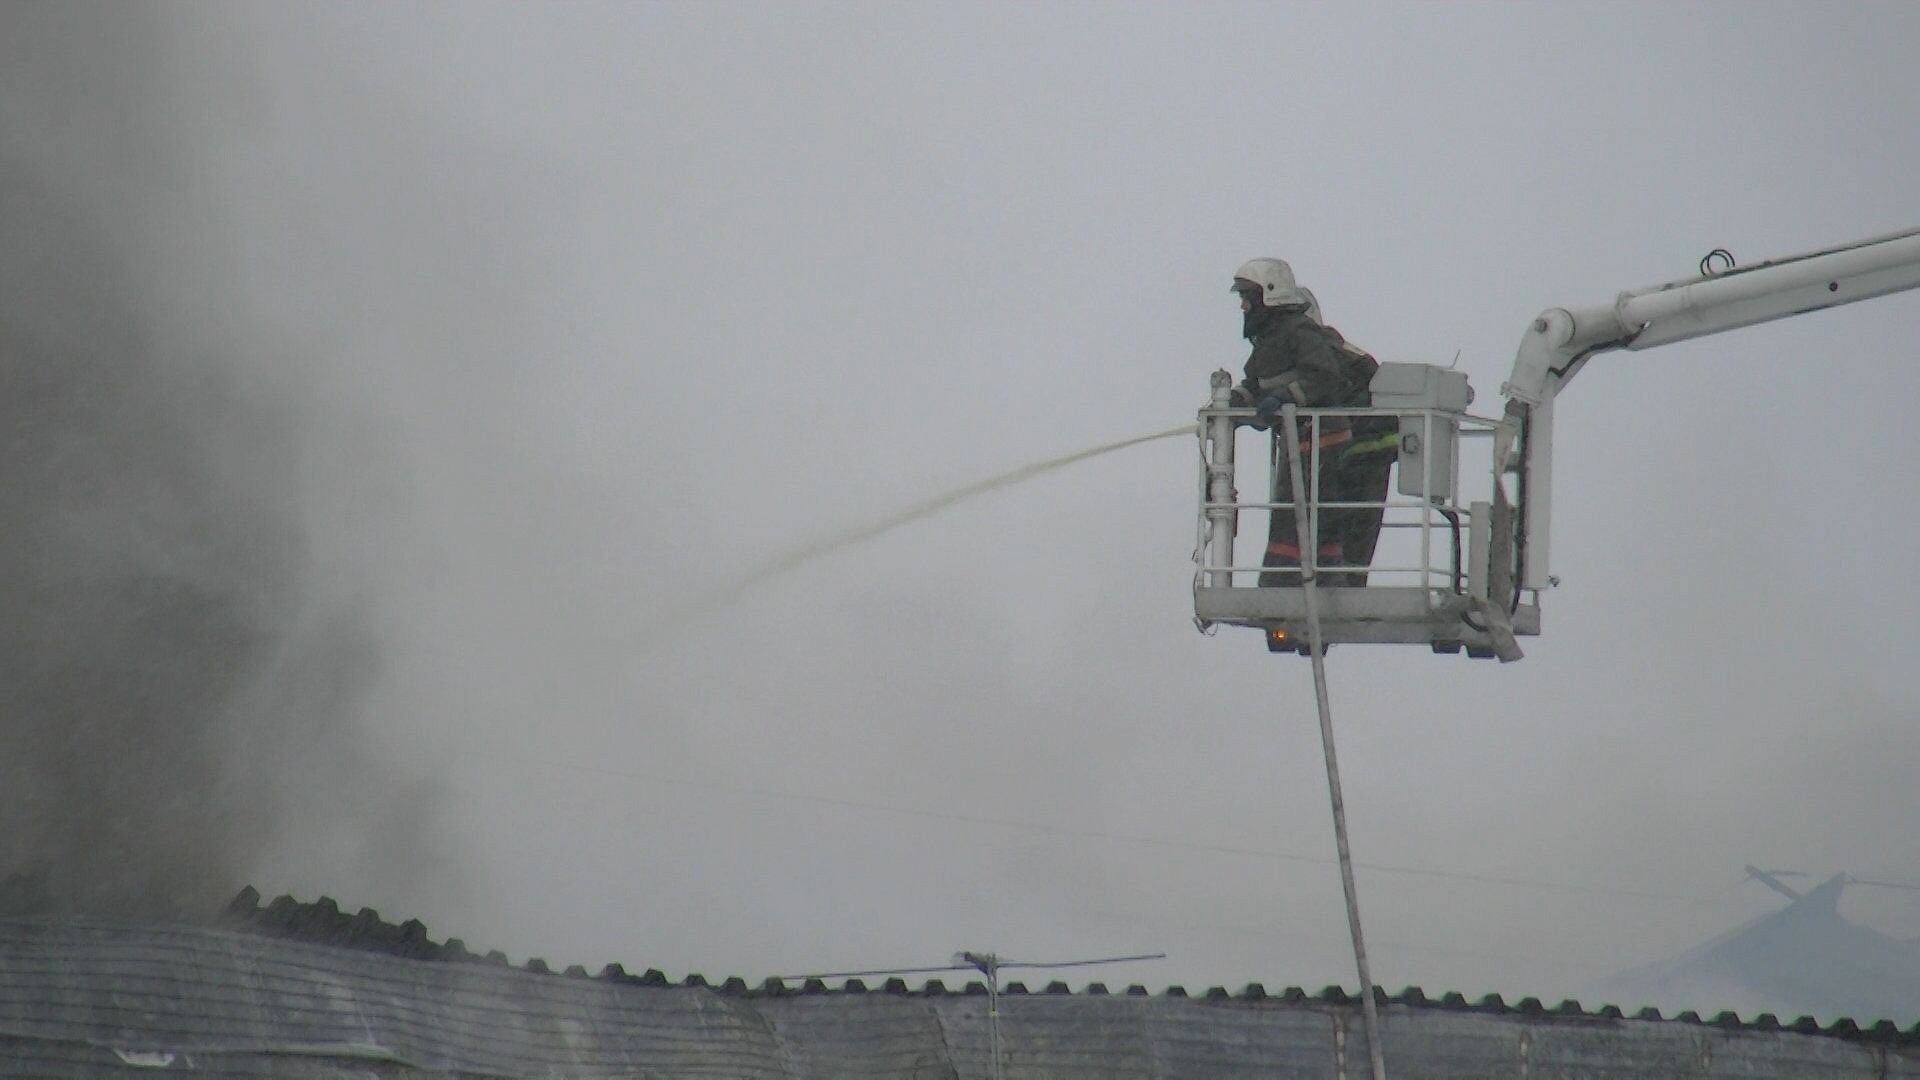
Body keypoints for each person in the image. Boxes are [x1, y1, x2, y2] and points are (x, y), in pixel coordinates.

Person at [1229, 258, 1397, 587]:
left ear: (1270, 295)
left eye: (1247, 297)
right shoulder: (1272, 341)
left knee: (1321, 516)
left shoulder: (1300, 333)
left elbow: (1323, 377)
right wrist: (1232, 405)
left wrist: (1284, 399)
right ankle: (1306, 577)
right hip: (1326, 443)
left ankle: (1306, 580)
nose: (1243, 306)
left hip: (1352, 442)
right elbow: (1257, 381)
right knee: (1315, 516)